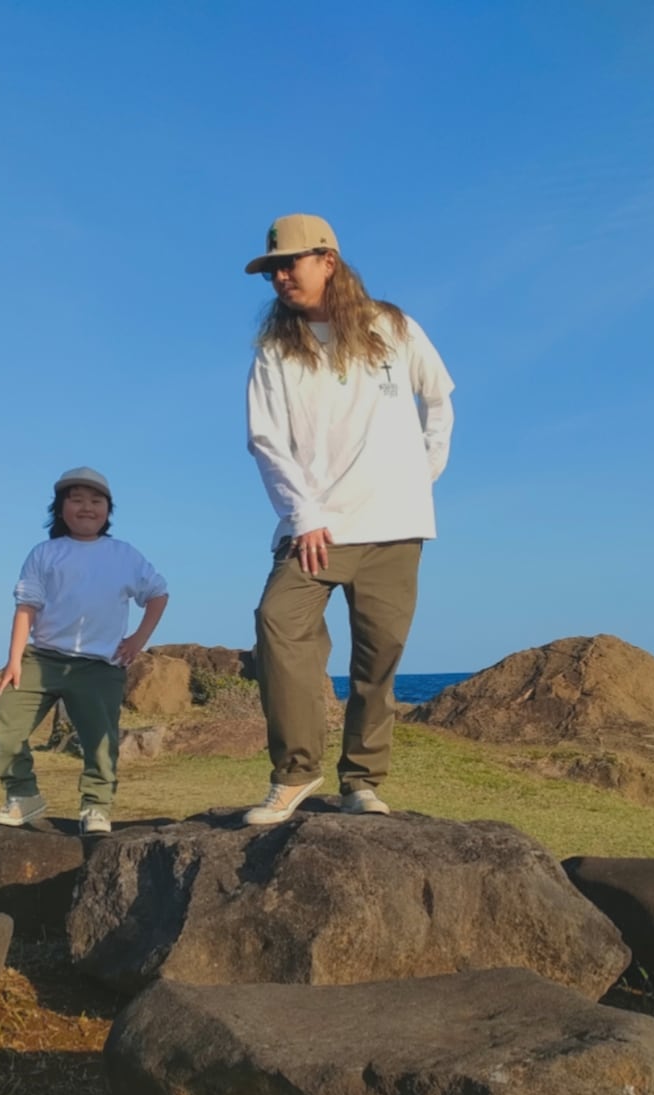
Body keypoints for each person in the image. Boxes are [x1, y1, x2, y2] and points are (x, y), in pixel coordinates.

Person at [242, 213, 454, 825]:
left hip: (396, 526)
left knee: (377, 658)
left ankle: (361, 780)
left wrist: (424, 472)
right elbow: (266, 440)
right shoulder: (275, 350)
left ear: (328, 260)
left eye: (291, 263)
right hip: (316, 527)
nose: (281, 276)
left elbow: (438, 399)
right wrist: (304, 513)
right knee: (278, 623)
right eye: (273, 268)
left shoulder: (393, 326)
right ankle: (296, 772)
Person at [0, 467, 169, 835]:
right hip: (43, 658)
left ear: (108, 509)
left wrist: (138, 639)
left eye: (96, 500)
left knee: (100, 740)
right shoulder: (44, 553)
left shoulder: (124, 554)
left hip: (100, 664)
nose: (87, 507)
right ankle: (22, 795)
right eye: (76, 499)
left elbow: (158, 593)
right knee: (4, 714)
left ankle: (96, 807)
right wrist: (13, 660)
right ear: (60, 509)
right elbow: (26, 608)